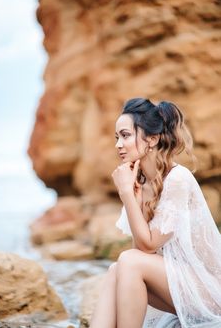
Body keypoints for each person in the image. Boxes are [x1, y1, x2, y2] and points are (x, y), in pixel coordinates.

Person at [90, 98, 221, 328]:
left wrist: (126, 195)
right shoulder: (141, 182)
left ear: (152, 138)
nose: (118, 145)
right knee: (116, 269)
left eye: (125, 135)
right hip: (181, 287)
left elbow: (146, 248)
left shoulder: (177, 179)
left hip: (211, 293)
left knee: (126, 262)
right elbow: (139, 253)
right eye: (117, 138)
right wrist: (134, 198)